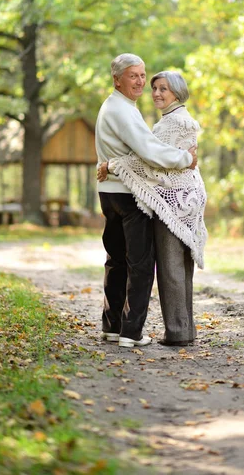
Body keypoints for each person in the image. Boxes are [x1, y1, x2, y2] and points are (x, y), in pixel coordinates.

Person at [95, 54, 198, 349]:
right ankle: (131, 333)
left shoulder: (111, 106)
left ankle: (112, 327)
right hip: (129, 196)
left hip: (109, 193)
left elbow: (132, 152)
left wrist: (109, 165)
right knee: (140, 264)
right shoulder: (124, 111)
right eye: (133, 76)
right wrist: (185, 158)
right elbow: (149, 151)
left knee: (116, 261)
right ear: (117, 79)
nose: (141, 82)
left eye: (143, 75)